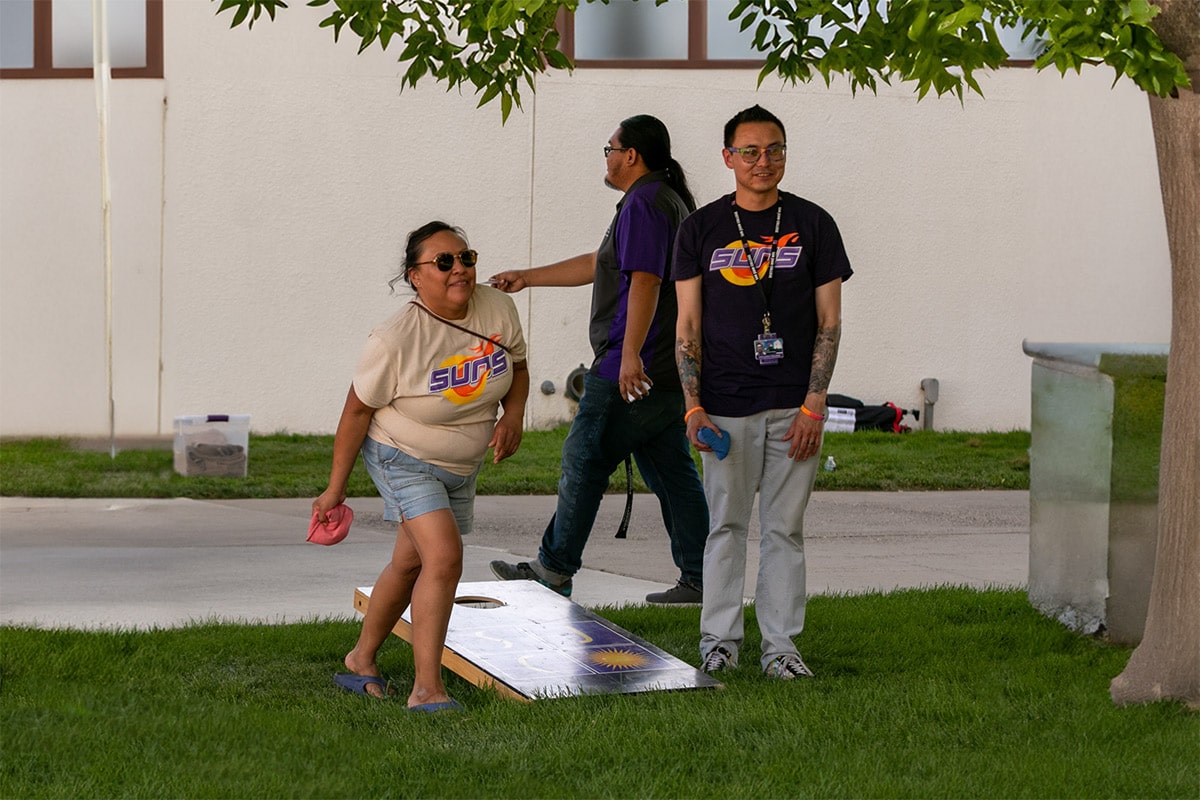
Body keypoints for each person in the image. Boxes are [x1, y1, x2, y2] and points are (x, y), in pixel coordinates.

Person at [487, 114, 709, 604]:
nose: (606, 157)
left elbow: (646, 282)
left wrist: (629, 357)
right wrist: (527, 276)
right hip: (664, 369)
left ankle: (553, 569)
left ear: (632, 155)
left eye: (609, 148)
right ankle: (701, 578)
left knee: (583, 458)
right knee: (672, 472)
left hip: (632, 368)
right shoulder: (653, 200)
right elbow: (599, 263)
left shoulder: (647, 203)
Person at [314, 221, 529, 710]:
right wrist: (335, 489)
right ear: (415, 276)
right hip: (401, 456)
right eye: (444, 262)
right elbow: (356, 411)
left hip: (461, 461)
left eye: (466, 257)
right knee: (444, 557)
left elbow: (516, 367)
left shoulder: (498, 307)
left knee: (410, 561)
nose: (460, 270)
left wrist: (513, 414)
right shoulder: (393, 339)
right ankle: (427, 690)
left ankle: (361, 658)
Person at [673, 105, 853, 679]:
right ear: (728, 158)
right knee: (725, 526)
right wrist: (693, 405)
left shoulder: (815, 222)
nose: (762, 161)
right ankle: (719, 642)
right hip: (723, 407)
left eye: (774, 149)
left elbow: (829, 322)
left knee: (784, 529)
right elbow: (688, 327)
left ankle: (781, 648)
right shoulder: (699, 229)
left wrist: (815, 403)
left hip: (794, 407)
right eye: (749, 151)